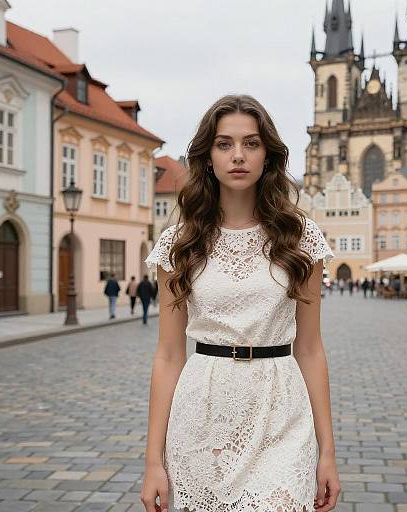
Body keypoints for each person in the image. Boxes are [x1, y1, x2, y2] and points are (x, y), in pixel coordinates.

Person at [140, 95, 341, 512]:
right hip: (202, 412)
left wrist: (328, 452)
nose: (238, 155)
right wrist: (152, 461)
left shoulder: (300, 237)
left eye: (251, 143)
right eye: (224, 144)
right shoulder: (179, 243)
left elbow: (310, 348)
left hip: (281, 407)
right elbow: (168, 355)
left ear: (268, 155)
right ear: (207, 156)